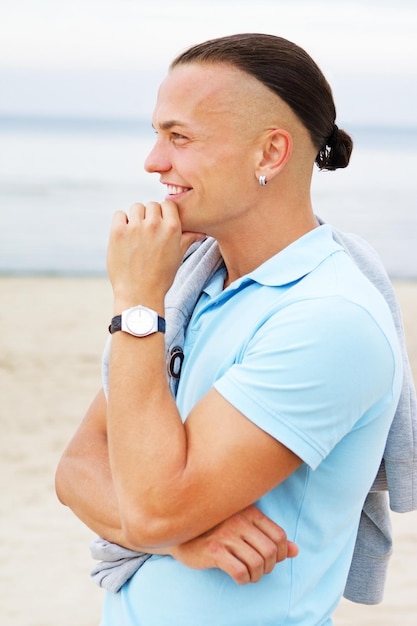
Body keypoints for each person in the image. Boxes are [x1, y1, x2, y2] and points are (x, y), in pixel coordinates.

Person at [55, 33, 406, 625]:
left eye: (179, 137)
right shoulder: (199, 285)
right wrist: (182, 538)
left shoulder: (328, 320)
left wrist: (138, 301)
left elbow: (154, 508)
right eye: (156, 134)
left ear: (270, 154)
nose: (153, 162)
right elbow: (78, 467)